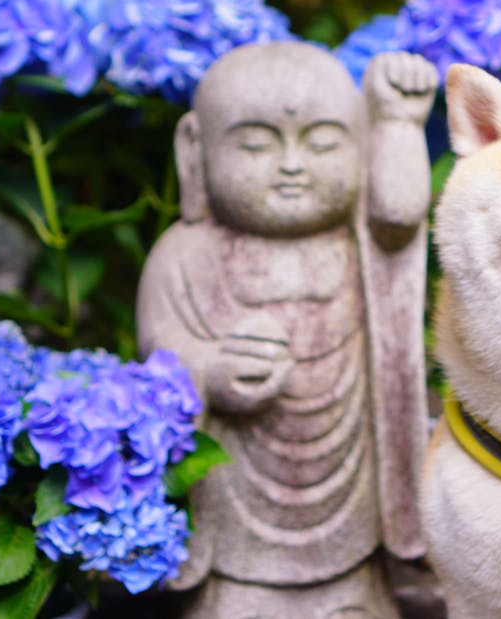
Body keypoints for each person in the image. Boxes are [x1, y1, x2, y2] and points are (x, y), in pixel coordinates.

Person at [137, 42, 437, 619]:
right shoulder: (183, 255)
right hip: (235, 512)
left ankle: (348, 593)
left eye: (323, 143)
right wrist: (210, 371)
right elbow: (160, 358)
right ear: (194, 152)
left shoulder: (360, 245)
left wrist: (398, 123)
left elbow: (399, 215)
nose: (293, 165)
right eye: (255, 144)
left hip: (348, 510)